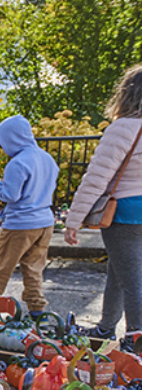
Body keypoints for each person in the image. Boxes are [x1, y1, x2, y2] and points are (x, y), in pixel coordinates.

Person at [65, 64, 142, 344]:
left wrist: (74, 221)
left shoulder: (123, 128)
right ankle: (106, 327)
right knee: (120, 271)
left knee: (133, 279)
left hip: (125, 214)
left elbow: (96, 179)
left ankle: (136, 337)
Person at [0, 115, 57, 314]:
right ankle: (38, 311)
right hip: (45, 222)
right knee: (33, 270)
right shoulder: (47, 158)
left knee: (1, 269)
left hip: (20, 224)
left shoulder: (18, 163)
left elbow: (10, 195)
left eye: (2, 143)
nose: (3, 148)